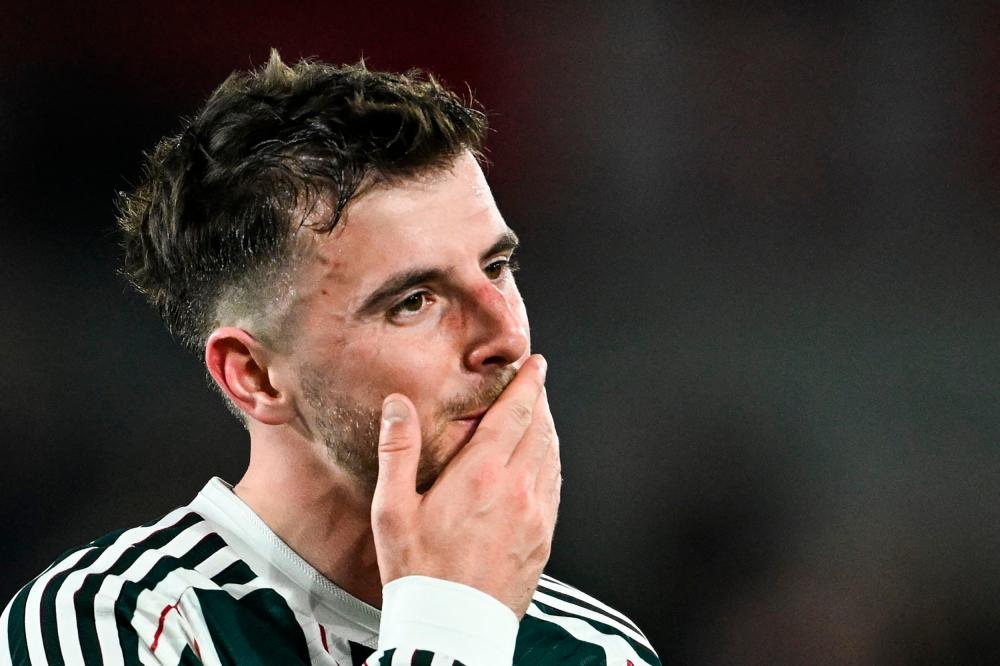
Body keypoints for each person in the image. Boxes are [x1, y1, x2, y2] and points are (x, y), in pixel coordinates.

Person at [1, 51, 660, 665]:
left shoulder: (597, 650)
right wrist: (452, 630)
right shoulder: (114, 624)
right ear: (254, 375)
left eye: (497, 265)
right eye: (415, 300)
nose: (505, 337)